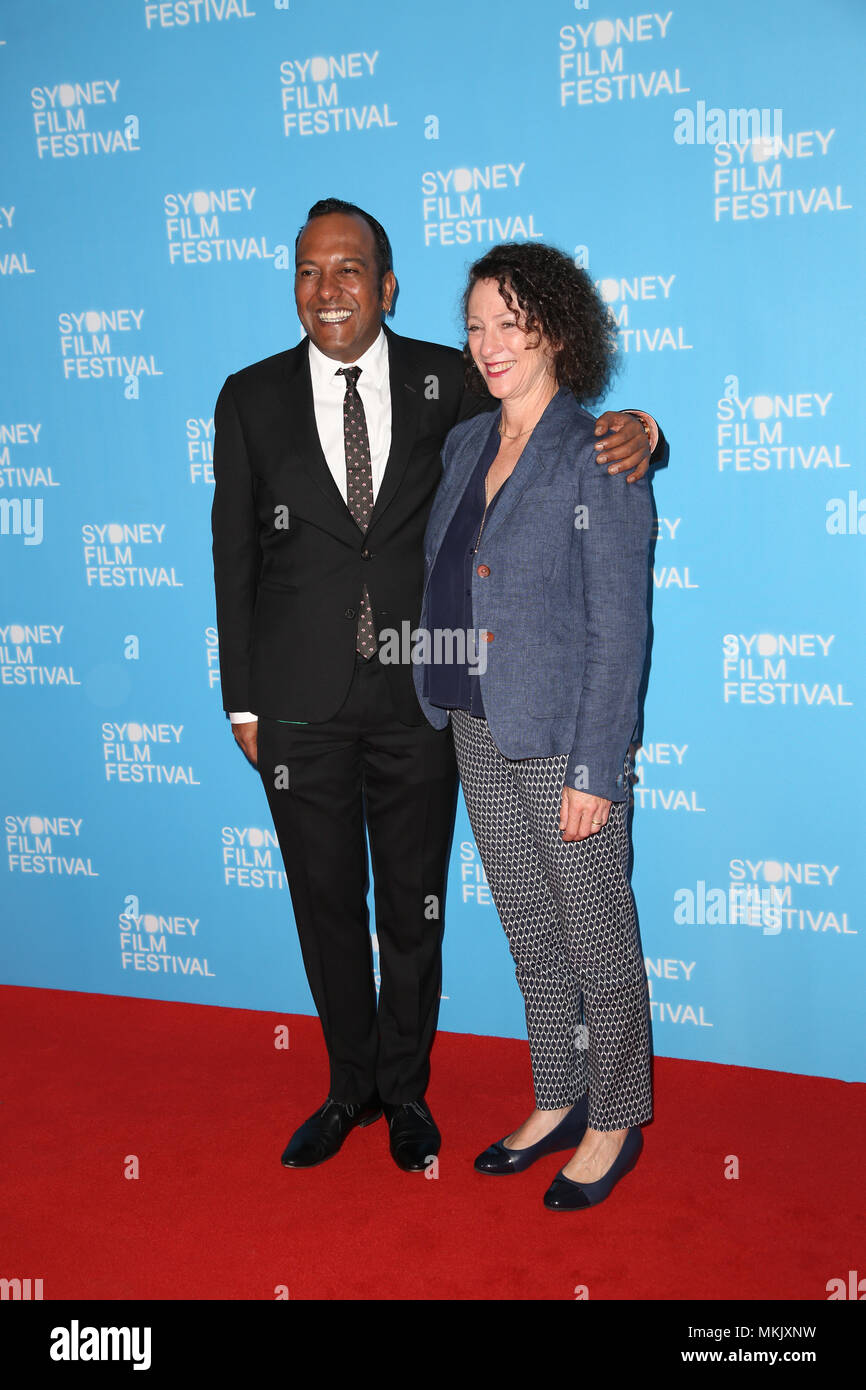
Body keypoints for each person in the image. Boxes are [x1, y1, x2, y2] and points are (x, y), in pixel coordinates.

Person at [211, 199, 662, 1175]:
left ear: (384, 284)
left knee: (492, 916)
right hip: (370, 709)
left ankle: (505, 1104)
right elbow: (232, 551)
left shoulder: (468, 395)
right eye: (306, 270)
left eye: (348, 270)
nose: (326, 289)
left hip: (480, 719)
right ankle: (376, 1088)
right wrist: (241, 698)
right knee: (407, 916)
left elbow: (610, 593)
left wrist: (642, 425)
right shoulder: (274, 402)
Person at [414, 240, 653, 1209]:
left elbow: (619, 625)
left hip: (563, 741)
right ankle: (556, 1093)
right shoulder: (464, 443)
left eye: (508, 323)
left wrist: (596, 767)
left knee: (596, 936)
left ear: (554, 328)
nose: (487, 344)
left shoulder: (598, 449)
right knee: (529, 932)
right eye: (474, 326)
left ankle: (615, 1117)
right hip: (474, 722)